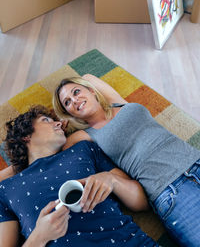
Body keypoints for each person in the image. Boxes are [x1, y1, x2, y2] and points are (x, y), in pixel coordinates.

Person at [53, 74, 200, 247]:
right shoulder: (84, 135)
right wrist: (60, 125)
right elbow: (54, 155)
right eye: (67, 103)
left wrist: (76, 92)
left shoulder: (117, 102)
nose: (74, 100)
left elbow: (88, 76)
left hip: (195, 159)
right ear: (68, 112)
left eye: (76, 92)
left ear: (92, 91)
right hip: (170, 191)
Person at [0, 105, 158, 247]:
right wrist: (39, 237)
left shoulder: (84, 149)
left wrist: (112, 180)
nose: (58, 123)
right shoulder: (6, 189)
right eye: (46, 120)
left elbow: (142, 202)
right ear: (25, 136)